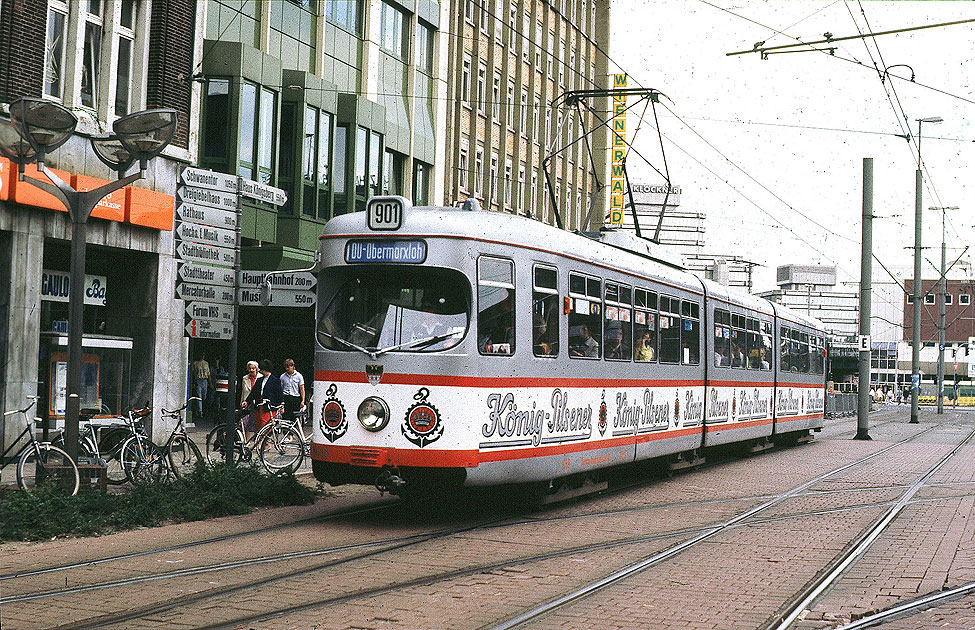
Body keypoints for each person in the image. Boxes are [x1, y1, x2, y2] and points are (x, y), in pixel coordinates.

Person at [243, 359, 283, 433]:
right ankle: (261, 442)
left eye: (262, 369)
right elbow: (253, 393)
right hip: (259, 405)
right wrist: (246, 401)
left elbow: (279, 394)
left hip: (269, 406)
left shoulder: (275, 380)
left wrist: (282, 405)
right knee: (258, 425)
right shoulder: (259, 380)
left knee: (266, 425)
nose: (260, 371)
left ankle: (266, 443)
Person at [239, 361, 259, 439]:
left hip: (256, 402)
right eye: (250, 368)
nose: (251, 370)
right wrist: (242, 402)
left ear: (256, 369)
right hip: (247, 402)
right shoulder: (245, 378)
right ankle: (246, 440)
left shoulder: (260, 377)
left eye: (253, 368)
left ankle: (257, 440)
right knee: (245, 422)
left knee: (256, 422)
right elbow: (243, 391)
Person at [191, 353, 212, 421]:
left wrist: (210, 383)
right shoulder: (195, 363)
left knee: (204, 396)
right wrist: (193, 382)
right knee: (199, 396)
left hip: (205, 380)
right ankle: (200, 411)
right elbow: (193, 373)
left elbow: (208, 374)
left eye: (203, 355)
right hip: (198, 380)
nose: (202, 356)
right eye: (201, 354)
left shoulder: (206, 363)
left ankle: (201, 409)